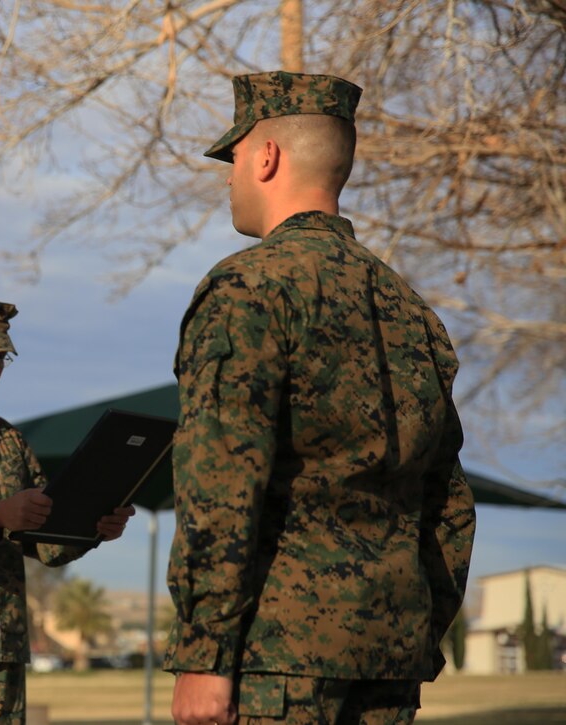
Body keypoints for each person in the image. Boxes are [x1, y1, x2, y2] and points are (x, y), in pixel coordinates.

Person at [165, 72, 477, 725]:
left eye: (234, 159)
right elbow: (447, 503)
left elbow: (220, 485)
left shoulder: (251, 288)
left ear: (267, 156)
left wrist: (203, 652)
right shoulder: (411, 311)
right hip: (389, 659)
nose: (229, 179)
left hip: (278, 662)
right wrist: (417, 634)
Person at [0, 290, 136, 724]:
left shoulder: (9, 441)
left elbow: (48, 545)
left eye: (1, 357)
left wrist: (93, 526)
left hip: (7, 650)